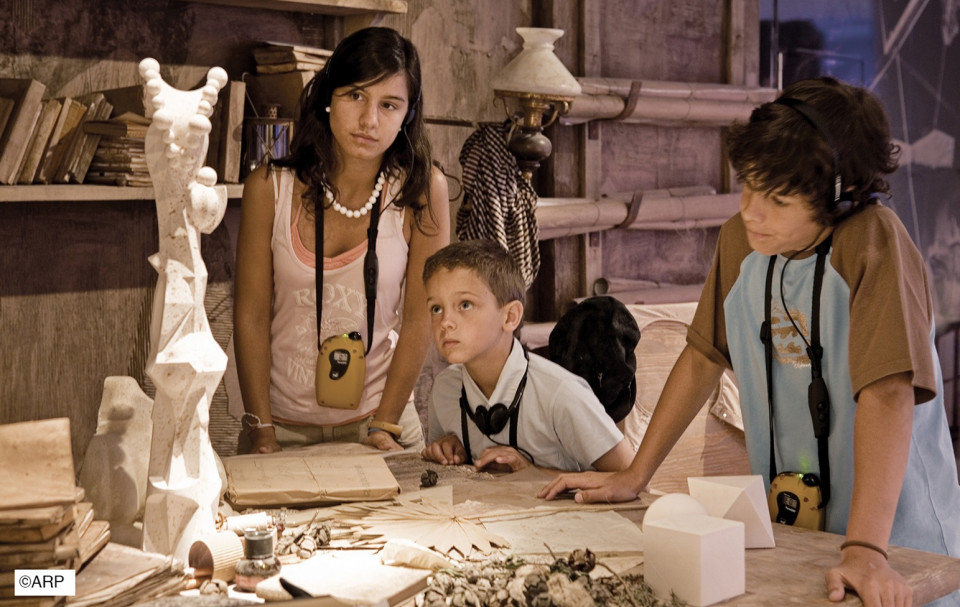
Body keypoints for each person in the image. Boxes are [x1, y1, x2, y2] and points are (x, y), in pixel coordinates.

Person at [539, 77, 960, 607]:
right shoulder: (743, 240)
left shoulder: (874, 240)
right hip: (805, 528)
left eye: (779, 199)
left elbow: (888, 395)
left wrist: (867, 547)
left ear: (840, 197)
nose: (752, 210)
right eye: (749, 186)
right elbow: (701, 356)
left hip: (893, 541)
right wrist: (635, 474)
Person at [230, 27, 449, 455]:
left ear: (408, 115)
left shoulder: (421, 191)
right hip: (278, 428)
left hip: (380, 424)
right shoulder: (269, 187)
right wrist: (262, 431)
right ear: (329, 96)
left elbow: (420, 318)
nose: (370, 121)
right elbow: (251, 315)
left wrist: (386, 424)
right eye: (355, 96)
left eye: (389, 105)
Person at [421, 239, 635, 473]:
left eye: (465, 304)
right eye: (436, 308)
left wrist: (531, 472)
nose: (446, 323)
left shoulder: (560, 394)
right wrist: (448, 447)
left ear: (510, 316)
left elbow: (631, 482)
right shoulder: (445, 389)